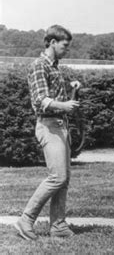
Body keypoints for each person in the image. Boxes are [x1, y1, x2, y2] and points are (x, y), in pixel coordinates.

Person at [15, 25, 81, 240]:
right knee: (57, 177)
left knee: (65, 179)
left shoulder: (53, 67)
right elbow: (40, 100)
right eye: (64, 45)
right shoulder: (38, 66)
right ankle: (26, 220)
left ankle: (59, 226)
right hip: (49, 126)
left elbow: (51, 94)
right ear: (53, 42)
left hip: (60, 126)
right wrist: (65, 106)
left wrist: (71, 86)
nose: (66, 50)